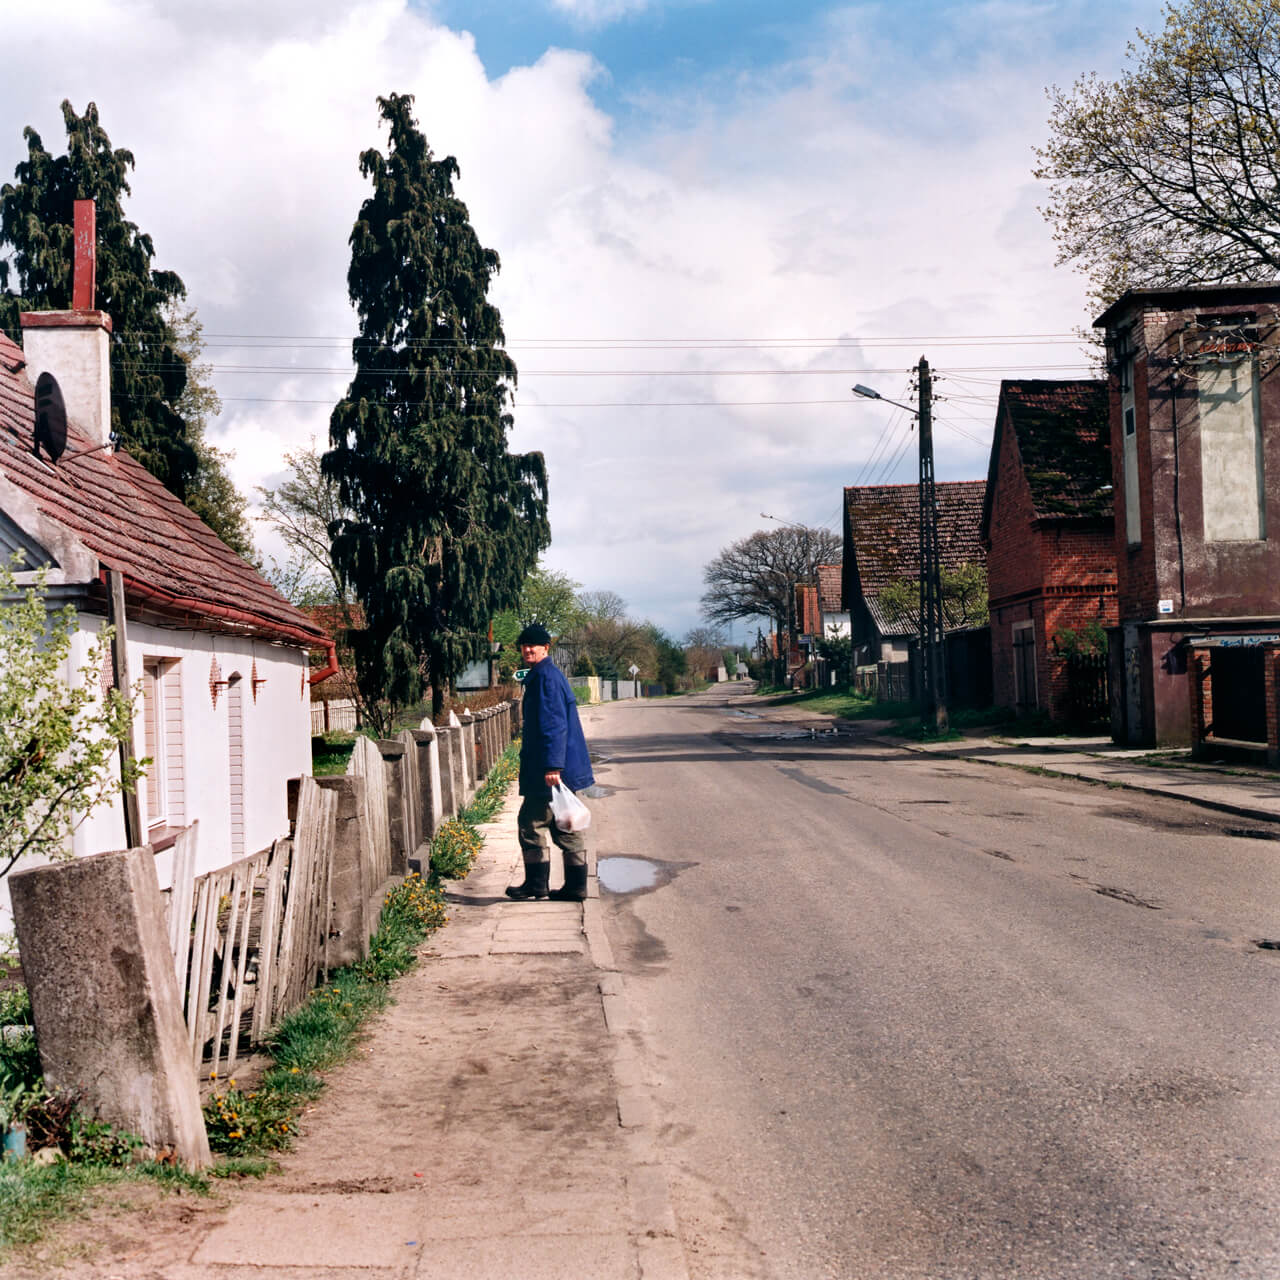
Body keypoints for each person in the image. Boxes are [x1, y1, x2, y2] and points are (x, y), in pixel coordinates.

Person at [505, 622, 595, 901]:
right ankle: (576, 886)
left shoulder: (545, 678)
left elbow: (554, 725)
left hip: (551, 769)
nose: (528, 649)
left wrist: (553, 766)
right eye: (525, 645)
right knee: (563, 824)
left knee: (530, 824)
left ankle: (536, 885)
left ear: (546, 648)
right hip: (555, 767)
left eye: (534, 645)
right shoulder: (546, 674)